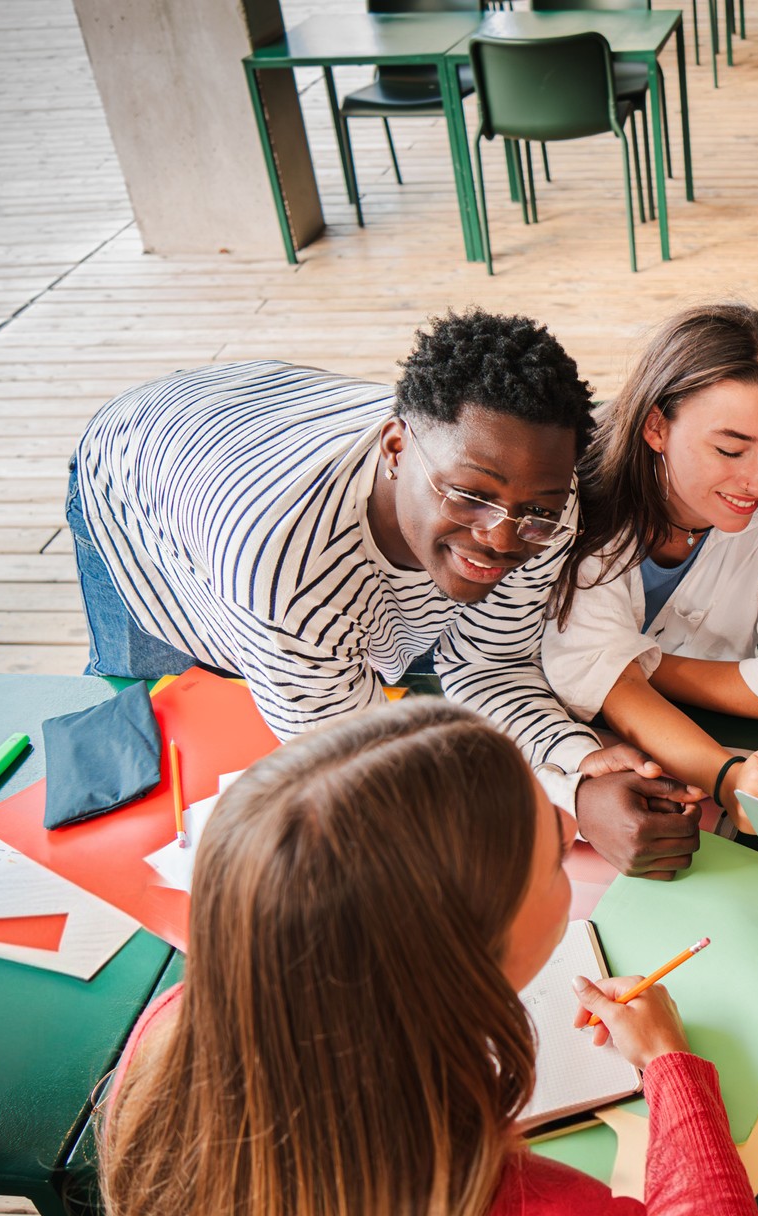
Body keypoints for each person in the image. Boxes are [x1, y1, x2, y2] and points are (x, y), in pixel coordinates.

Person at [98, 699, 758, 1216]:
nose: (572, 842)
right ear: (463, 953)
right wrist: (671, 1070)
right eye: (554, 859)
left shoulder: (171, 1030)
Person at [68, 310, 702, 873]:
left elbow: (492, 665)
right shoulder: (282, 569)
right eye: (472, 496)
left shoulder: (544, 506)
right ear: (395, 448)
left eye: (531, 513)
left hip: (264, 423)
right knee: (142, 749)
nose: (502, 541)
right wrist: (564, 799)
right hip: (139, 487)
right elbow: (367, 762)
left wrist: (581, 763)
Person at [544, 304, 758, 836]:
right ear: (656, 426)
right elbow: (610, 688)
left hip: (672, 748)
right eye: (730, 449)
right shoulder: (577, 505)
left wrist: (639, 665)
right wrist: (725, 775)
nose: (757, 481)